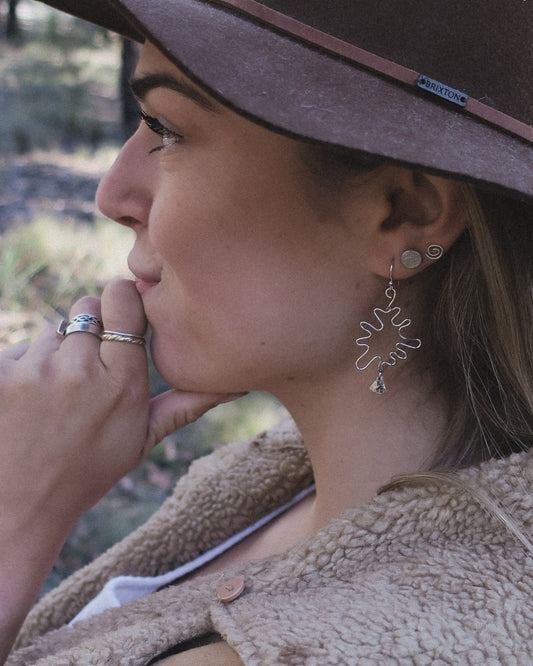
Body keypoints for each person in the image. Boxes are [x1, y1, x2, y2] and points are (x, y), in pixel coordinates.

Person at [2, 0, 532, 663]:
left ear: (405, 212)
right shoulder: (287, 486)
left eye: (166, 129)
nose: (112, 195)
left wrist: (13, 518)